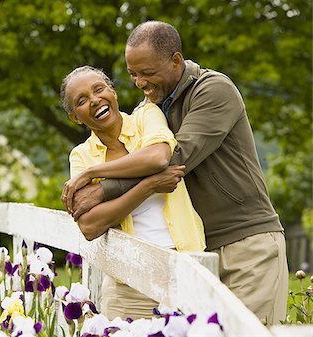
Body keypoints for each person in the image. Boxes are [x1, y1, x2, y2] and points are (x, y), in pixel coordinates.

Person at [67, 21, 288, 325]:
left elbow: (173, 158)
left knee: (249, 331)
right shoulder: (156, 106)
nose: (140, 83)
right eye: (133, 74)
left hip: (246, 243)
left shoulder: (213, 90)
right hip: (201, 252)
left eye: (147, 73)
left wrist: (102, 187)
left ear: (175, 61)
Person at [60, 65, 205, 320]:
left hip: (184, 269)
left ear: (112, 92)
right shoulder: (81, 155)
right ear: (75, 117)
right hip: (128, 286)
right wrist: (149, 186)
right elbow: (90, 225)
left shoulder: (146, 115)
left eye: (99, 89)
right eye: (82, 101)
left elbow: (158, 157)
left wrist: (91, 174)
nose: (95, 100)